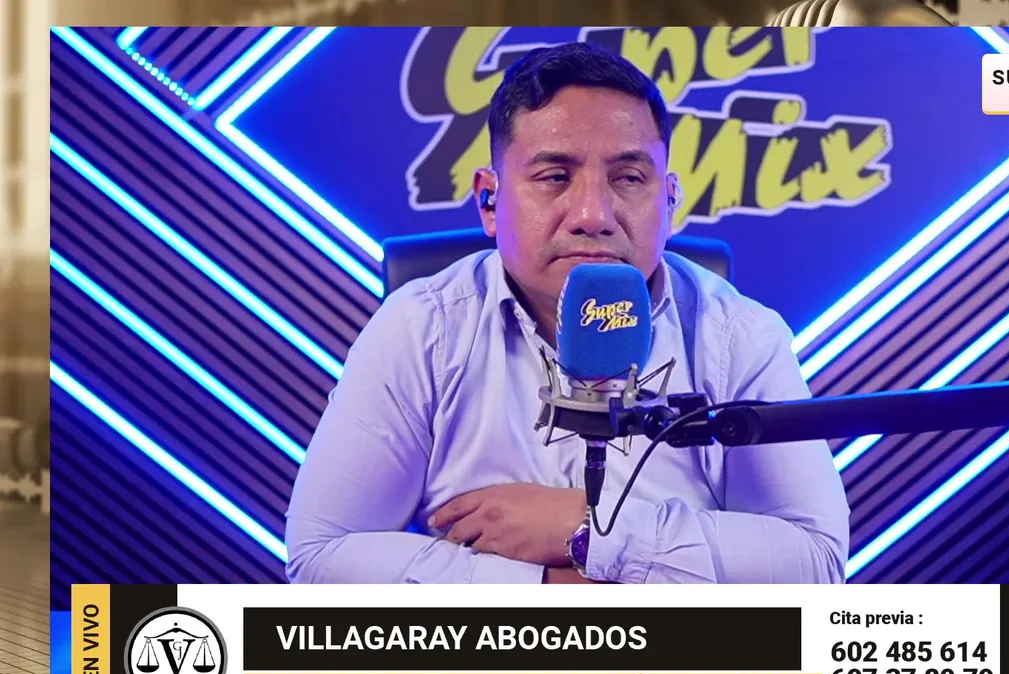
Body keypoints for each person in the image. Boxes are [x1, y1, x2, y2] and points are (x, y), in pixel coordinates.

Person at [285, 42, 849, 584]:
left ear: (669, 200)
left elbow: (816, 563)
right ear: (489, 200)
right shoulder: (422, 326)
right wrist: (556, 591)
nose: (592, 215)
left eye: (629, 178)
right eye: (555, 177)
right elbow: (322, 556)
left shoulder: (740, 336)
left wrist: (588, 530)